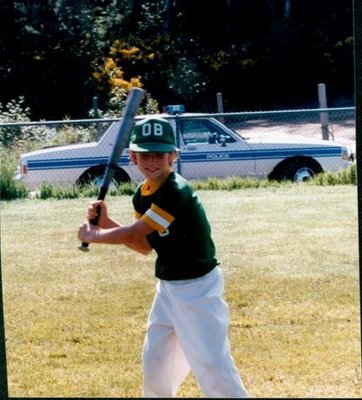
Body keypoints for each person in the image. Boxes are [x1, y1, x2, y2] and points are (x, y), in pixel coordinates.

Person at [78, 117, 250, 398]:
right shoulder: (141, 195)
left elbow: (136, 230)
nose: (152, 161)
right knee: (156, 364)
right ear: (132, 157)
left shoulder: (175, 191)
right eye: (145, 154)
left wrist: (94, 235)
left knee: (212, 365)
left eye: (160, 154)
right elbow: (143, 244)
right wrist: (107, 222)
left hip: (198, 288)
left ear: (174, 156)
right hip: (168, 287)